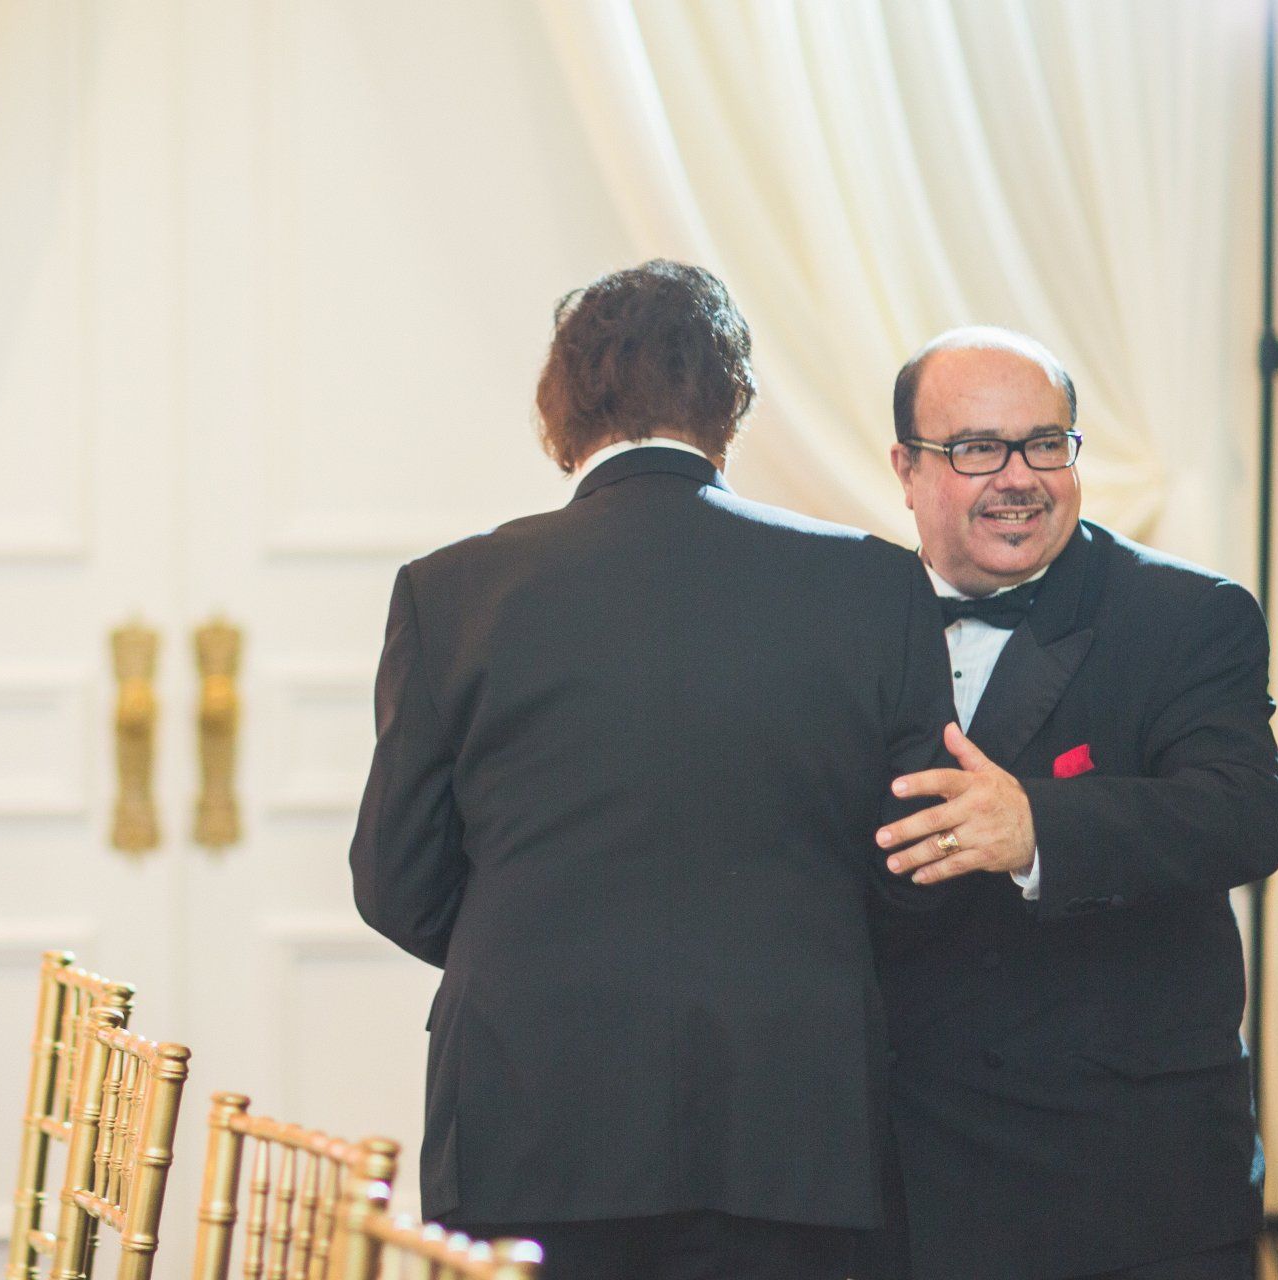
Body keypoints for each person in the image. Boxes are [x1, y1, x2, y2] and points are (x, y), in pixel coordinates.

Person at [348, 260, 957, 1280]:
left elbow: (396, 879)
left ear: (562, 408)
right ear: (733, 403)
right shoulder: (873, 584)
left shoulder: (449, 591)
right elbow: (919, 871)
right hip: (792, 1115)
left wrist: (540, 936)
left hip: (532, 1108)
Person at [864, 327, 1278, 1280]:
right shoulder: (849, 616)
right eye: (977, 448)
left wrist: (1037, 831)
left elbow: (1245, 814)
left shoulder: (1187, 614)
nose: (1018, 476)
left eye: (1044, 443)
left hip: (1130, 1186)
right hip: (909, 1189)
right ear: (907, 467)